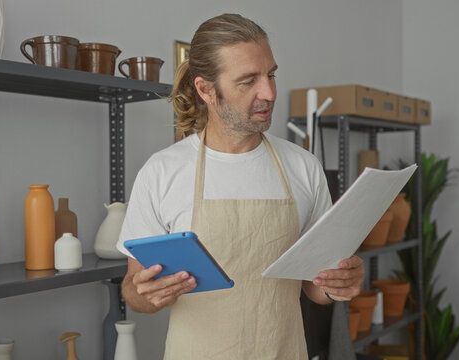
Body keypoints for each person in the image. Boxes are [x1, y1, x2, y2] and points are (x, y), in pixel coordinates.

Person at [117, 13, 365, 360]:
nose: (269, 92)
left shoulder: (303, 167)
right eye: (248, 81)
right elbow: (133, 288)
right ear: (206, 90)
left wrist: (340, 285)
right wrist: (144, 294)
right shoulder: (162, 172)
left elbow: (314, 285)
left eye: (271, 75)